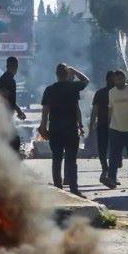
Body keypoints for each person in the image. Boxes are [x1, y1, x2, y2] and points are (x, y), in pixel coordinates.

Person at [39, 63, 89, 196]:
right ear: (67, 74)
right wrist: (74, 70)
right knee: (71, 160)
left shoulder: (50, 89)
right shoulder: (73, 87)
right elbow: (86, 80)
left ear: (56, 74)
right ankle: (74, 189)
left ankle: (58, 189)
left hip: (55, 129)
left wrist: (43, 127)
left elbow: (45, 112)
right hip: (70, 129)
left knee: (57, 159)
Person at [105, 70, 128, 189]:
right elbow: (110, 109)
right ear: (114, 80)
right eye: (117, 79)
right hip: (116, 129)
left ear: (125, 79)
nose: (119, 81)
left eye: (121, 79)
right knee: (114, 156)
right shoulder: (111, 92)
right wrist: (108, 123)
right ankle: (111, 179)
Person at [0, 56, 27, 154]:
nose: (16, 68)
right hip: (4, 114)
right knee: (13, 140)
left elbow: (10, 99)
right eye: (15, 66)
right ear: (12, 66)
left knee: (10, 139)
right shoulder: (7, 80)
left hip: (5, 113)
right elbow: (4, 97)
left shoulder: (7, 79)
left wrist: (18, 110)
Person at [90, 70, 116, 184]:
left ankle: (110, 172)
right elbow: (95, 109)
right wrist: (92, 123)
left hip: (115, 125)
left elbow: (94, 110)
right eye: (112, 78)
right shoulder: (101, 93)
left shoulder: (117, 92)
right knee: (104, 149)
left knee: (110, 149)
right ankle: (106, 170)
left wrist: (92, 123)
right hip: (104, 124)